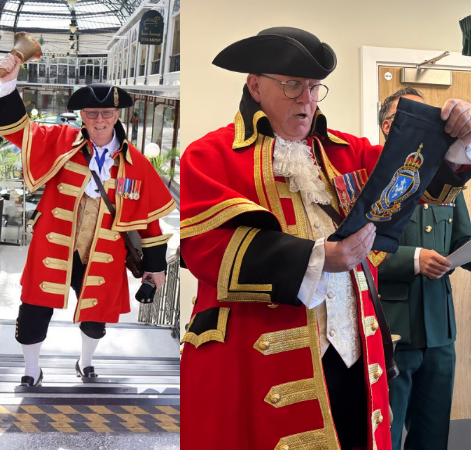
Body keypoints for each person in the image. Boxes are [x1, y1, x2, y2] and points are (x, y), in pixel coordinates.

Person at [179, 27, 471, 450]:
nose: (307, 100)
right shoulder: (211, 155)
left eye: (315, 87)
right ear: (255, 86)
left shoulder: (346, 151)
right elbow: (207, 250)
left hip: (355, 354)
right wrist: (319, 258)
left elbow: (417, 182)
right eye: (293, 86)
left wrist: (457, 138)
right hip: (259, 359)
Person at [0, 53, 175, 386]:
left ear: (116, 114)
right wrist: (8, 83)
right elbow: (21, 131)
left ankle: (85, 361)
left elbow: (149, 222)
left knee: (95, 317)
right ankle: (31, 369)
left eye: (106, 112)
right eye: (91, 113)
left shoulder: (136, 164)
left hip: (103, 254)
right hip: (53, 247)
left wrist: (155, 266)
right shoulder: (61, 140)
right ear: (82, 116)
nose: (99, 120)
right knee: (34, 309)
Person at [378, 87, 471, 450]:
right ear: (390, 126)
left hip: (439, 330)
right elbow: (353, 252)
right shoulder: (371, 178)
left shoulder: (446, 181)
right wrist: (412, 259)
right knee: (386, 433)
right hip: (393, 327)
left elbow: (463, 239)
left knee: (433, 435)